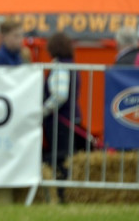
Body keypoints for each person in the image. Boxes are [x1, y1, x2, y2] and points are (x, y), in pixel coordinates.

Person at [41, 32, 92, 203]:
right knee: (66, 156)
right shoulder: (72, 65)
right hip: (71, 117)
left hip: (60, 120)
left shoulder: (60, 67)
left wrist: (42, 111)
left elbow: (60, 96)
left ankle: (61, 195)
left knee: (60, 157)